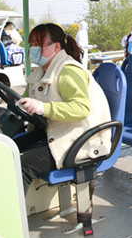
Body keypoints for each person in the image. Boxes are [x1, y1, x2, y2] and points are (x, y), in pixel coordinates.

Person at [16, 23, 111, 210]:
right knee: (9, 149)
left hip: (80, 138)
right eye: (31, 45)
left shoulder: (68, 70)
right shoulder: (40, 72)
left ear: (56, 47)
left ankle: (11, 219)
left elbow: (81, 109)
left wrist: (43, 108)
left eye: (38, 45)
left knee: (23, 165)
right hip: (57, 132)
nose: (33, 50)